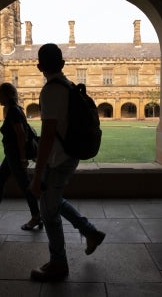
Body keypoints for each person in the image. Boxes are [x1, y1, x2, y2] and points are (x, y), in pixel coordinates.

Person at [30, 43, 105, 282]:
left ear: (39, 66)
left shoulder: (50, 91)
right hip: (70, 155)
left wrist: (37, 173)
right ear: (62, 64)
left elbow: (48, 135)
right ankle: (90, 232)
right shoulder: (69, 86)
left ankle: (58, 264)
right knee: (54, 201)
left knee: (48, 212)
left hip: (58, 159)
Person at [0, 82, 42, 231]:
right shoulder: (16, 109)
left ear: (6, 95)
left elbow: (21, 135)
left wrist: (23, 159)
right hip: (11, 156)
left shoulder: (13, 111)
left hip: (16, 156)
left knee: (25, 186)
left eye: (0, 94)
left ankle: (36, 216)